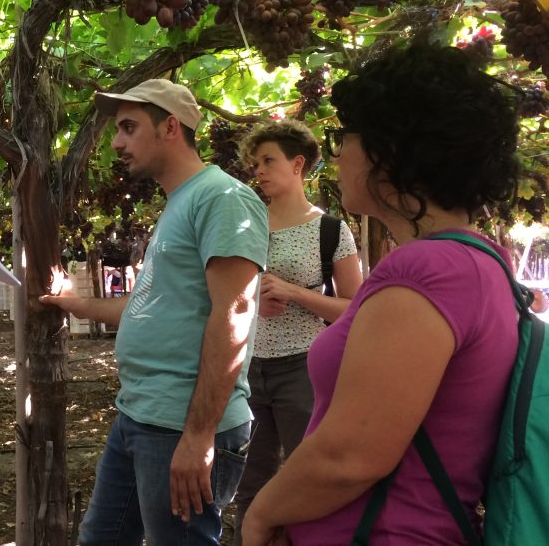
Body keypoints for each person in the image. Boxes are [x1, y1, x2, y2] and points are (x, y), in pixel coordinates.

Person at [241, 43, 521, 546]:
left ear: (389, 149)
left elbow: (349, 457)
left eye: (342, 137)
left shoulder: (426, 271)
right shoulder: (480, 259)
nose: (336, 155)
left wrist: (260, 516)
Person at [41, 78, 269, 545]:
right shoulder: (180, 202)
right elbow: (151, 308)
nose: (116, 143)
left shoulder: (222, 199)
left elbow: (235, 313)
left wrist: (199, 436)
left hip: (180, 425)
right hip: (139, 415)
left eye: (128, 127)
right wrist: (71, 304)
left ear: (170, 127)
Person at [231, 119, 363, 544]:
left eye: (268, 160)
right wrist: (253, 297)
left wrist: (295, 293)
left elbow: (355, 309)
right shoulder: (244, 224)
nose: (259, 170)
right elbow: (221, 291)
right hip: (246, 367)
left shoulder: (330, 229)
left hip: (305, 369)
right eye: (255, 163)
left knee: (311, 479)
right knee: (248, 483)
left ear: (298, 164)